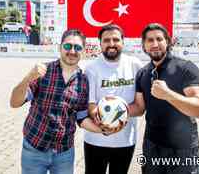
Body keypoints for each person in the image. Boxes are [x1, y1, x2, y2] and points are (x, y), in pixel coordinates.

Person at [10, 29, 102, 174]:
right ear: (60, 47)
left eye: (77, 47)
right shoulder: (42, 72)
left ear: (83, 51)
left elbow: (82, 118)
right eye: (67, 46)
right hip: (34, 148)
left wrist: (102, 130)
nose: (72, 51)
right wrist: (28, 78)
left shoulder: (83, 82)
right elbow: (14, 103)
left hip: (64, 153)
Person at [129, 23, 199, 174]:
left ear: (168, 42)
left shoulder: (185, 68)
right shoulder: (143, 73)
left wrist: (168, 95)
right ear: (144, 46)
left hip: (183, 148)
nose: (155, 44)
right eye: (150, 40)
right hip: (152, 146)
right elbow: (139, 108)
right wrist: (115, 111)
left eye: (159, 39)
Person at [84, 24, 143, 174]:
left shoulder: (135, 65)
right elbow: (90, 104)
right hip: (96, 139)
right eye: (106, 40)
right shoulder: (91, 68)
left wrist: (118, 116)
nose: (111, 44)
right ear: (100, 43)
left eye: (116, 39)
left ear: (123, 41)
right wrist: (102, 121)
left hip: (125, 140)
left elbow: (140, 107)